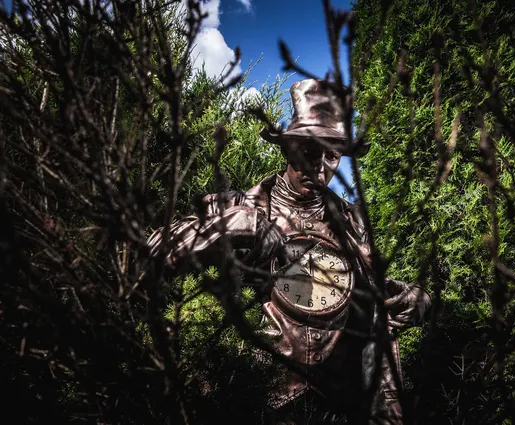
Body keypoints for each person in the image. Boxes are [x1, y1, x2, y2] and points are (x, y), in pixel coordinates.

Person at [147, 79, 431, 424]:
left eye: (332, 155)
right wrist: (239, 226)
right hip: (253, 400)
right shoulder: (238, 206)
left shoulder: (352, 222)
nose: (321, 166)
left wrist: (411, 300)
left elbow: (367, 298)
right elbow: (158, 248)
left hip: (338, 407)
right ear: (288, 149)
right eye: (310, 152)